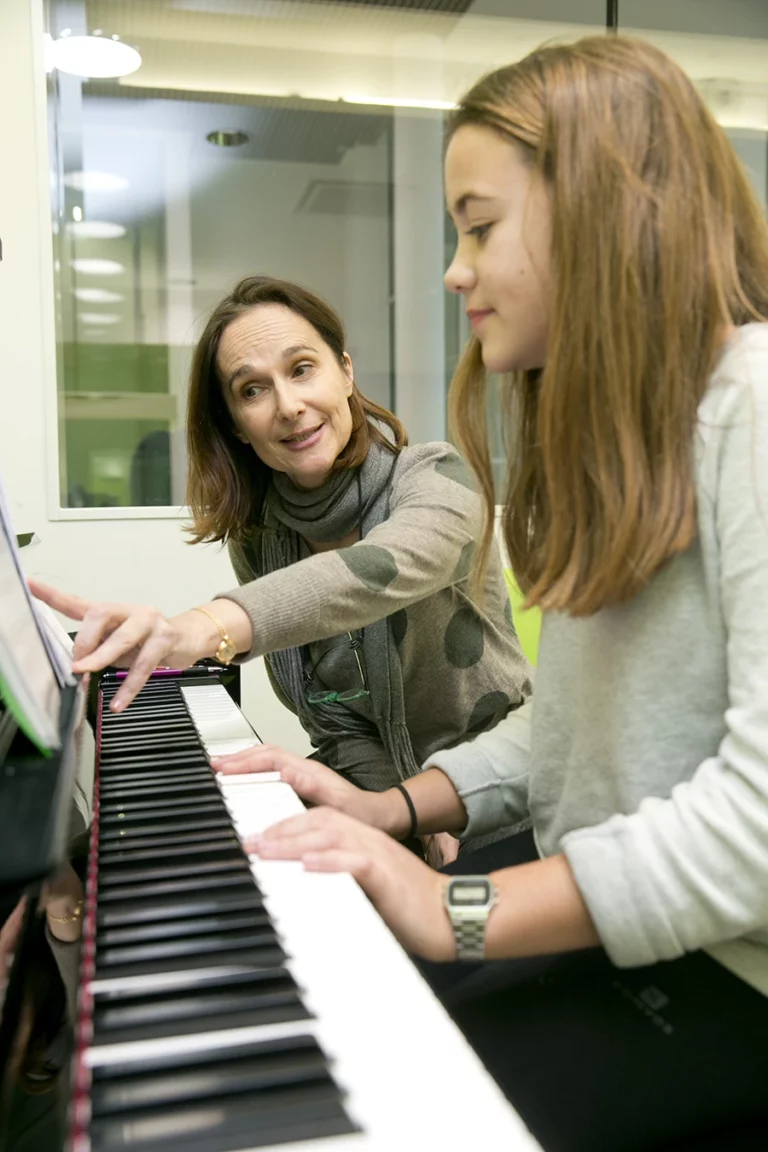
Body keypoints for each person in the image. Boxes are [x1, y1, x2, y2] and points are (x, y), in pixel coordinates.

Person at [213, 36, 768, 1151]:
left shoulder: (752, 411)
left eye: (477, 225)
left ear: (608, 212)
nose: (455, 271)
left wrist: (454, 907)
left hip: (729, 978)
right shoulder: (624, 445)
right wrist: (390, 810)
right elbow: (560, 738)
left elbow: (755, 831)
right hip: (618, 929)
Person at [32, 275, 532, 861]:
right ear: (236, 426)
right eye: (252, 390)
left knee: (445, 945)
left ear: (345, 372)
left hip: (511, 804)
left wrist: (199, 627)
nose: (288, 406)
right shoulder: (263, 536)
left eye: (301, 369)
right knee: (167, 853)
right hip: (387, 799)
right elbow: (338, 725)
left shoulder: (438, 481)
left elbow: (373, 573)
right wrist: (404, 811)